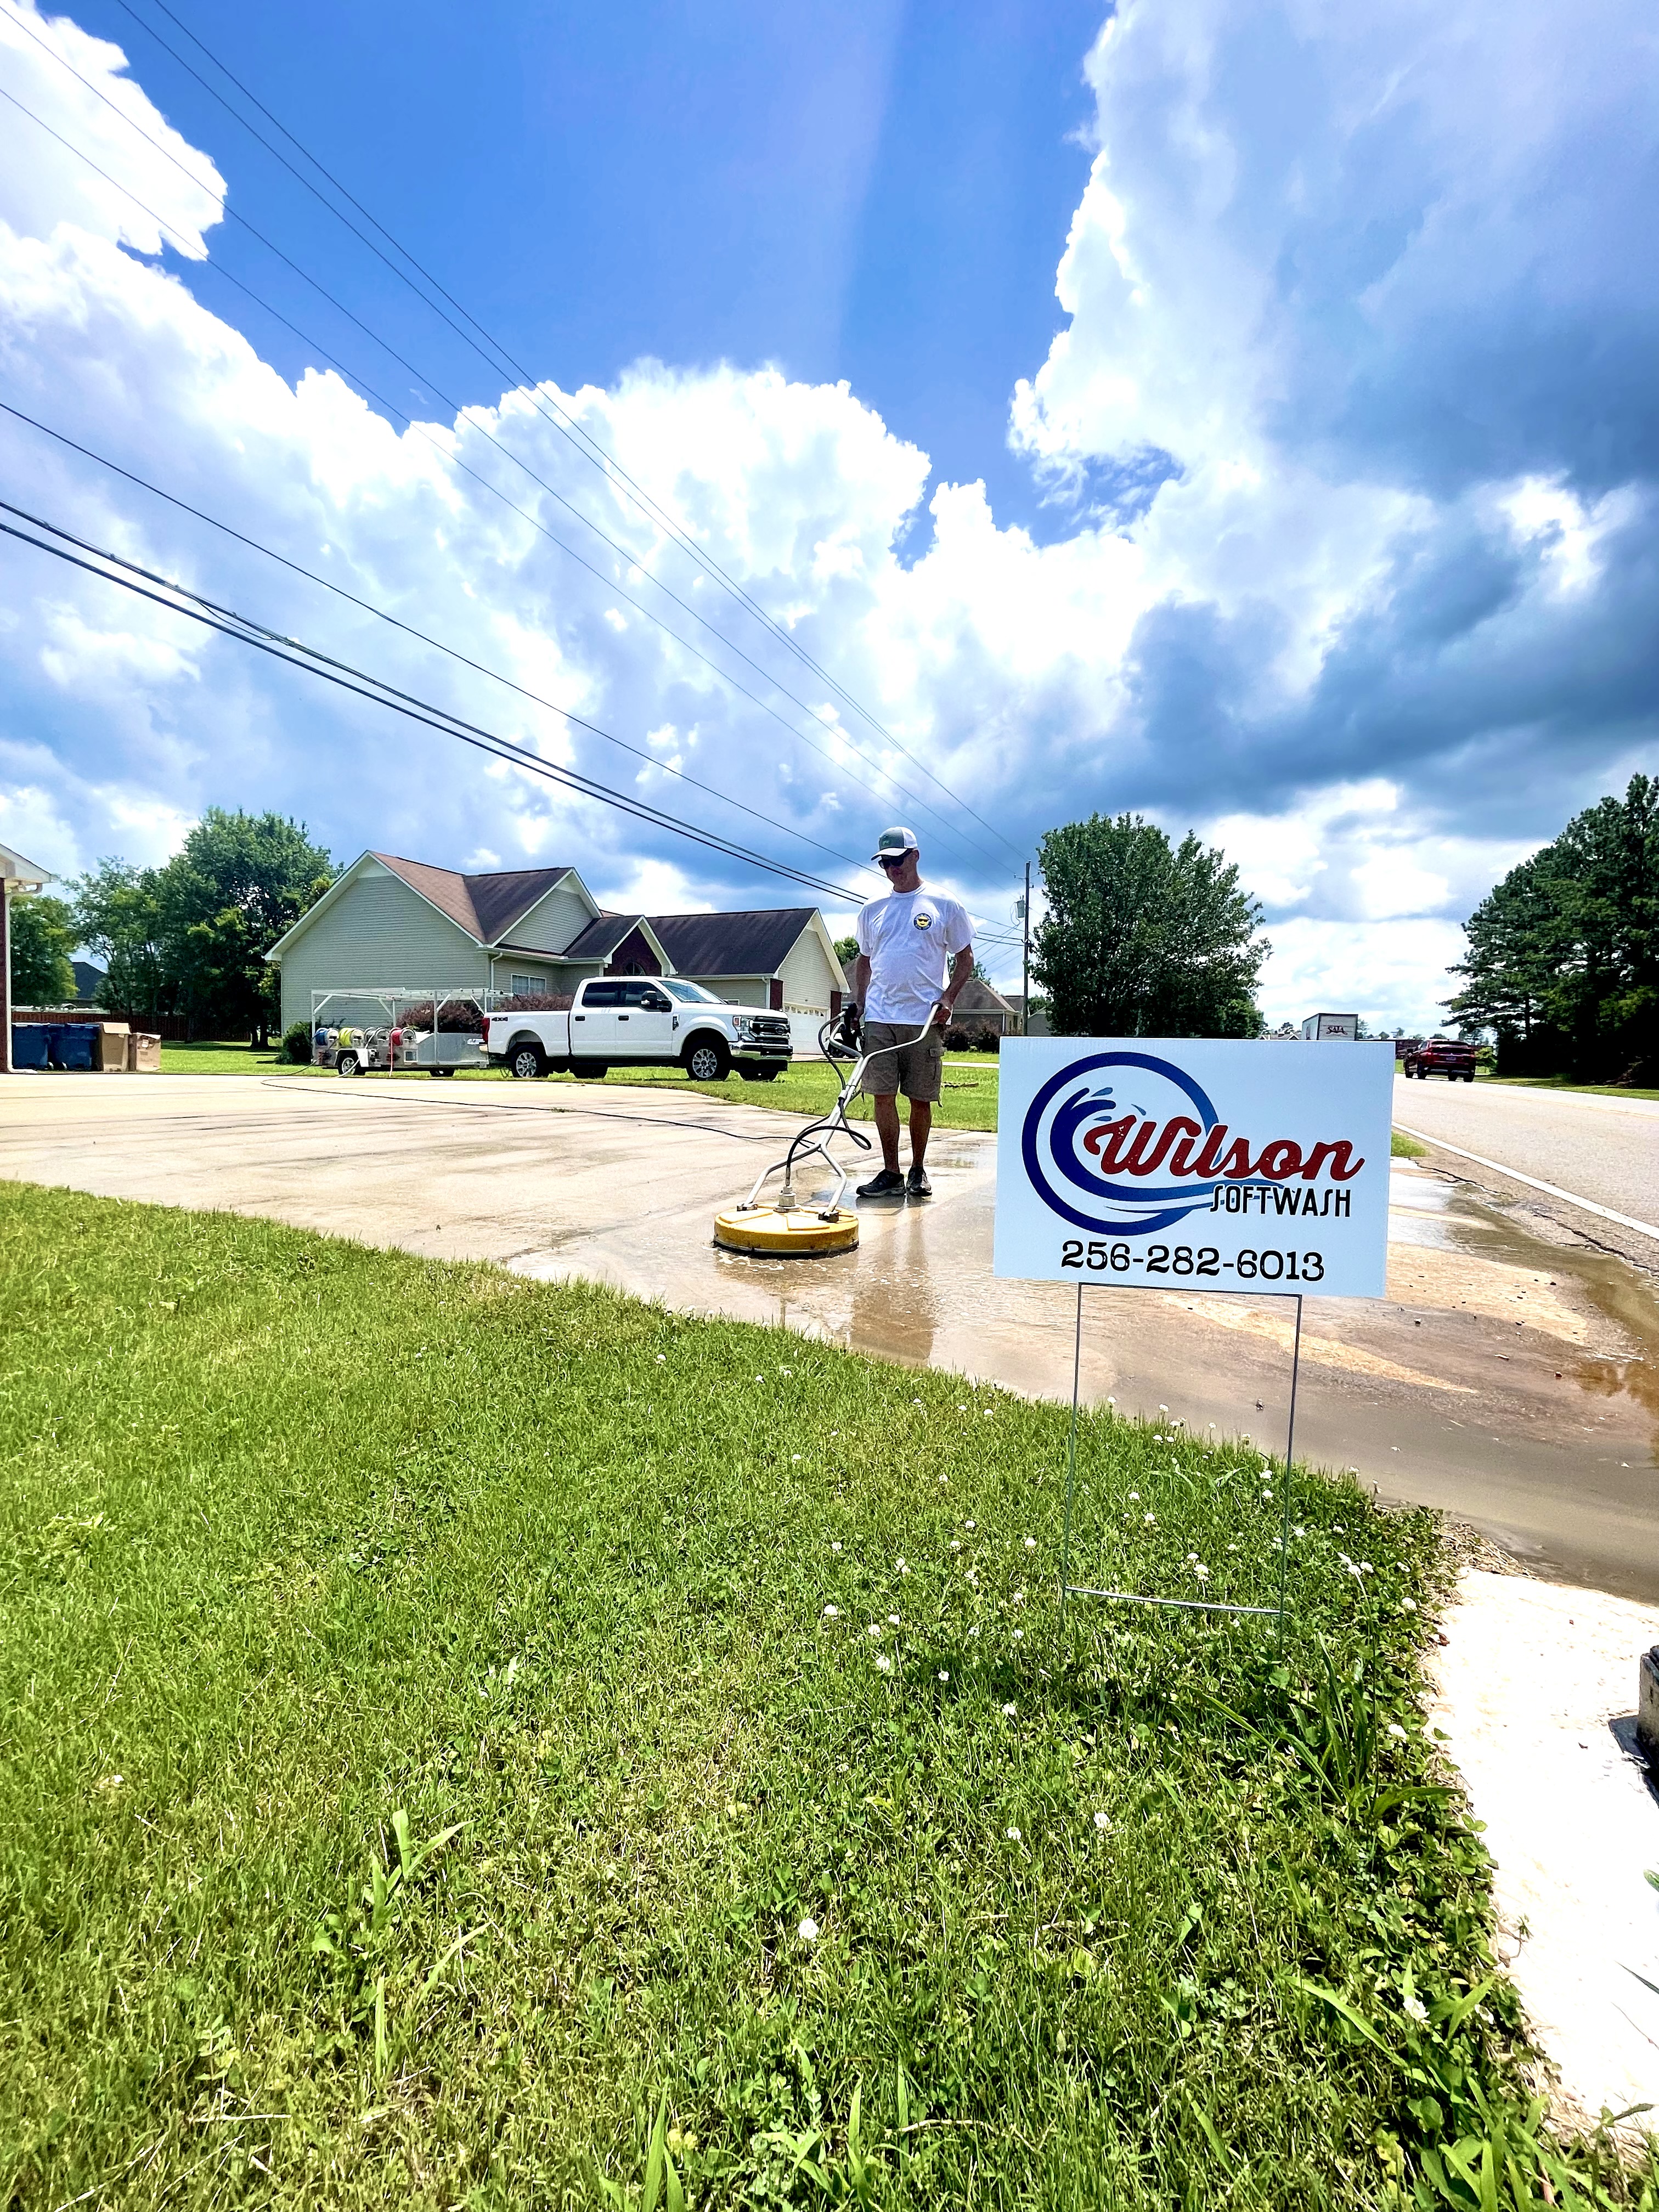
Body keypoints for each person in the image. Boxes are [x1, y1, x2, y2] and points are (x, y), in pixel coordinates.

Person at [851, 826, 974, 1199]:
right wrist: (860, 1005)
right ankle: (891, 1172)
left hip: (925, 1020)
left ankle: (918, 1169)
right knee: (882, 1096)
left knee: (920, 1098)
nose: (892, 869)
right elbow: (864, 961)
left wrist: (949, 997)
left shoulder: (944, 904)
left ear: (915, 856)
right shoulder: (873, 910)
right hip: (880, 1019)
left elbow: (965, 958)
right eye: (885, 863)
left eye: (898, 861)